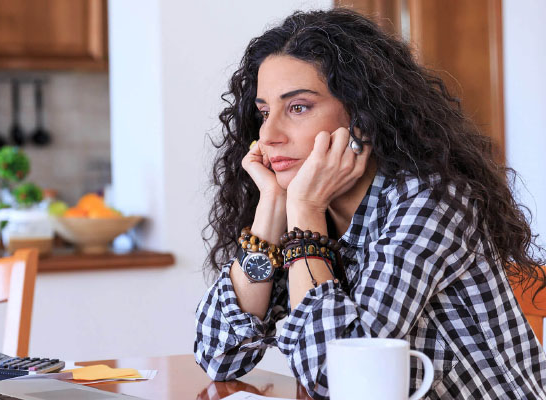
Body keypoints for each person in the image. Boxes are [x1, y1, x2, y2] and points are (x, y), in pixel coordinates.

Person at [194, 8, 546, 400]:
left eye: (298, 108)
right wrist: (271, 208)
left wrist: (305, 215)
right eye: (263, 112)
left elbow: (337, 376)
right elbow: (218, 355)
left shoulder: (431, 200)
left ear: (362, 114)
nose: (269, 134)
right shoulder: (302, 206)